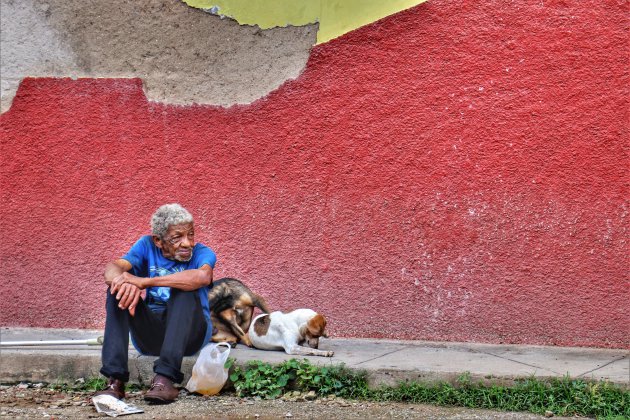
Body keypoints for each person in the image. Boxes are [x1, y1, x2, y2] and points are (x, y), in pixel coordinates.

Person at [95, 203, 216, 404]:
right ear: (158, 240)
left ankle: (165, 379)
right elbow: (113, 268)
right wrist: (124, 282)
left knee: (184, 289)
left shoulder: (203, 253)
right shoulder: (145, 246)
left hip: (191, 336)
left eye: (191, 235)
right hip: (151, 336)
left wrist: (143, 282)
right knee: (116, 290)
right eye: (177, 237)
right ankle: (115, 381)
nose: (187, 243)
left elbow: (202, 276)